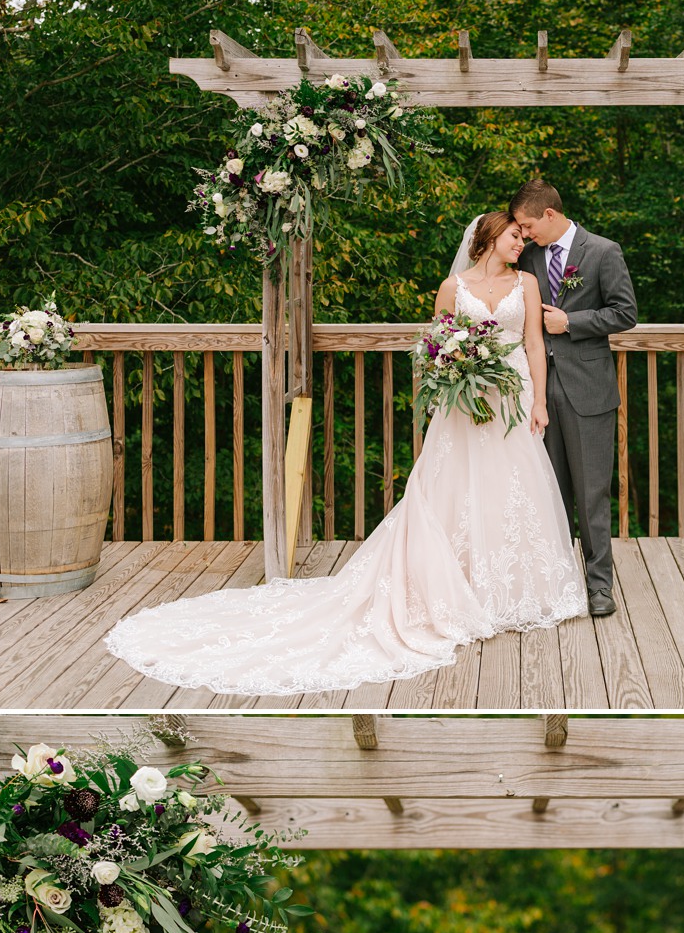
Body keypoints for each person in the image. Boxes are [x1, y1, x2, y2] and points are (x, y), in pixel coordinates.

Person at [103, 212, 584, 696]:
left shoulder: (527, 283)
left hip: (515, 397)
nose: (522, 243)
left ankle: (511, 590)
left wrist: (539, 401)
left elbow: (535, 346)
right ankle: (456, 585)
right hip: (464, 404)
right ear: (488, 238)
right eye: (514, 236)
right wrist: (452, 375)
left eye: (524, 237)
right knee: (454, 490)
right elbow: (436, 345)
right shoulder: (452, 286)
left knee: (513, 490)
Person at [511, 182, 639, 619]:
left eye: (528, 226)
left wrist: (573, 321)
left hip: (588, 388)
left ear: (549, 214)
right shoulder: (527, 257)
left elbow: (625, 312)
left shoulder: (603, 251)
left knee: (592, 493)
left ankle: (600, 585)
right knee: (548, 491)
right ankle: (559, 580)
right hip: (537, 390)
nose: (525, 236)